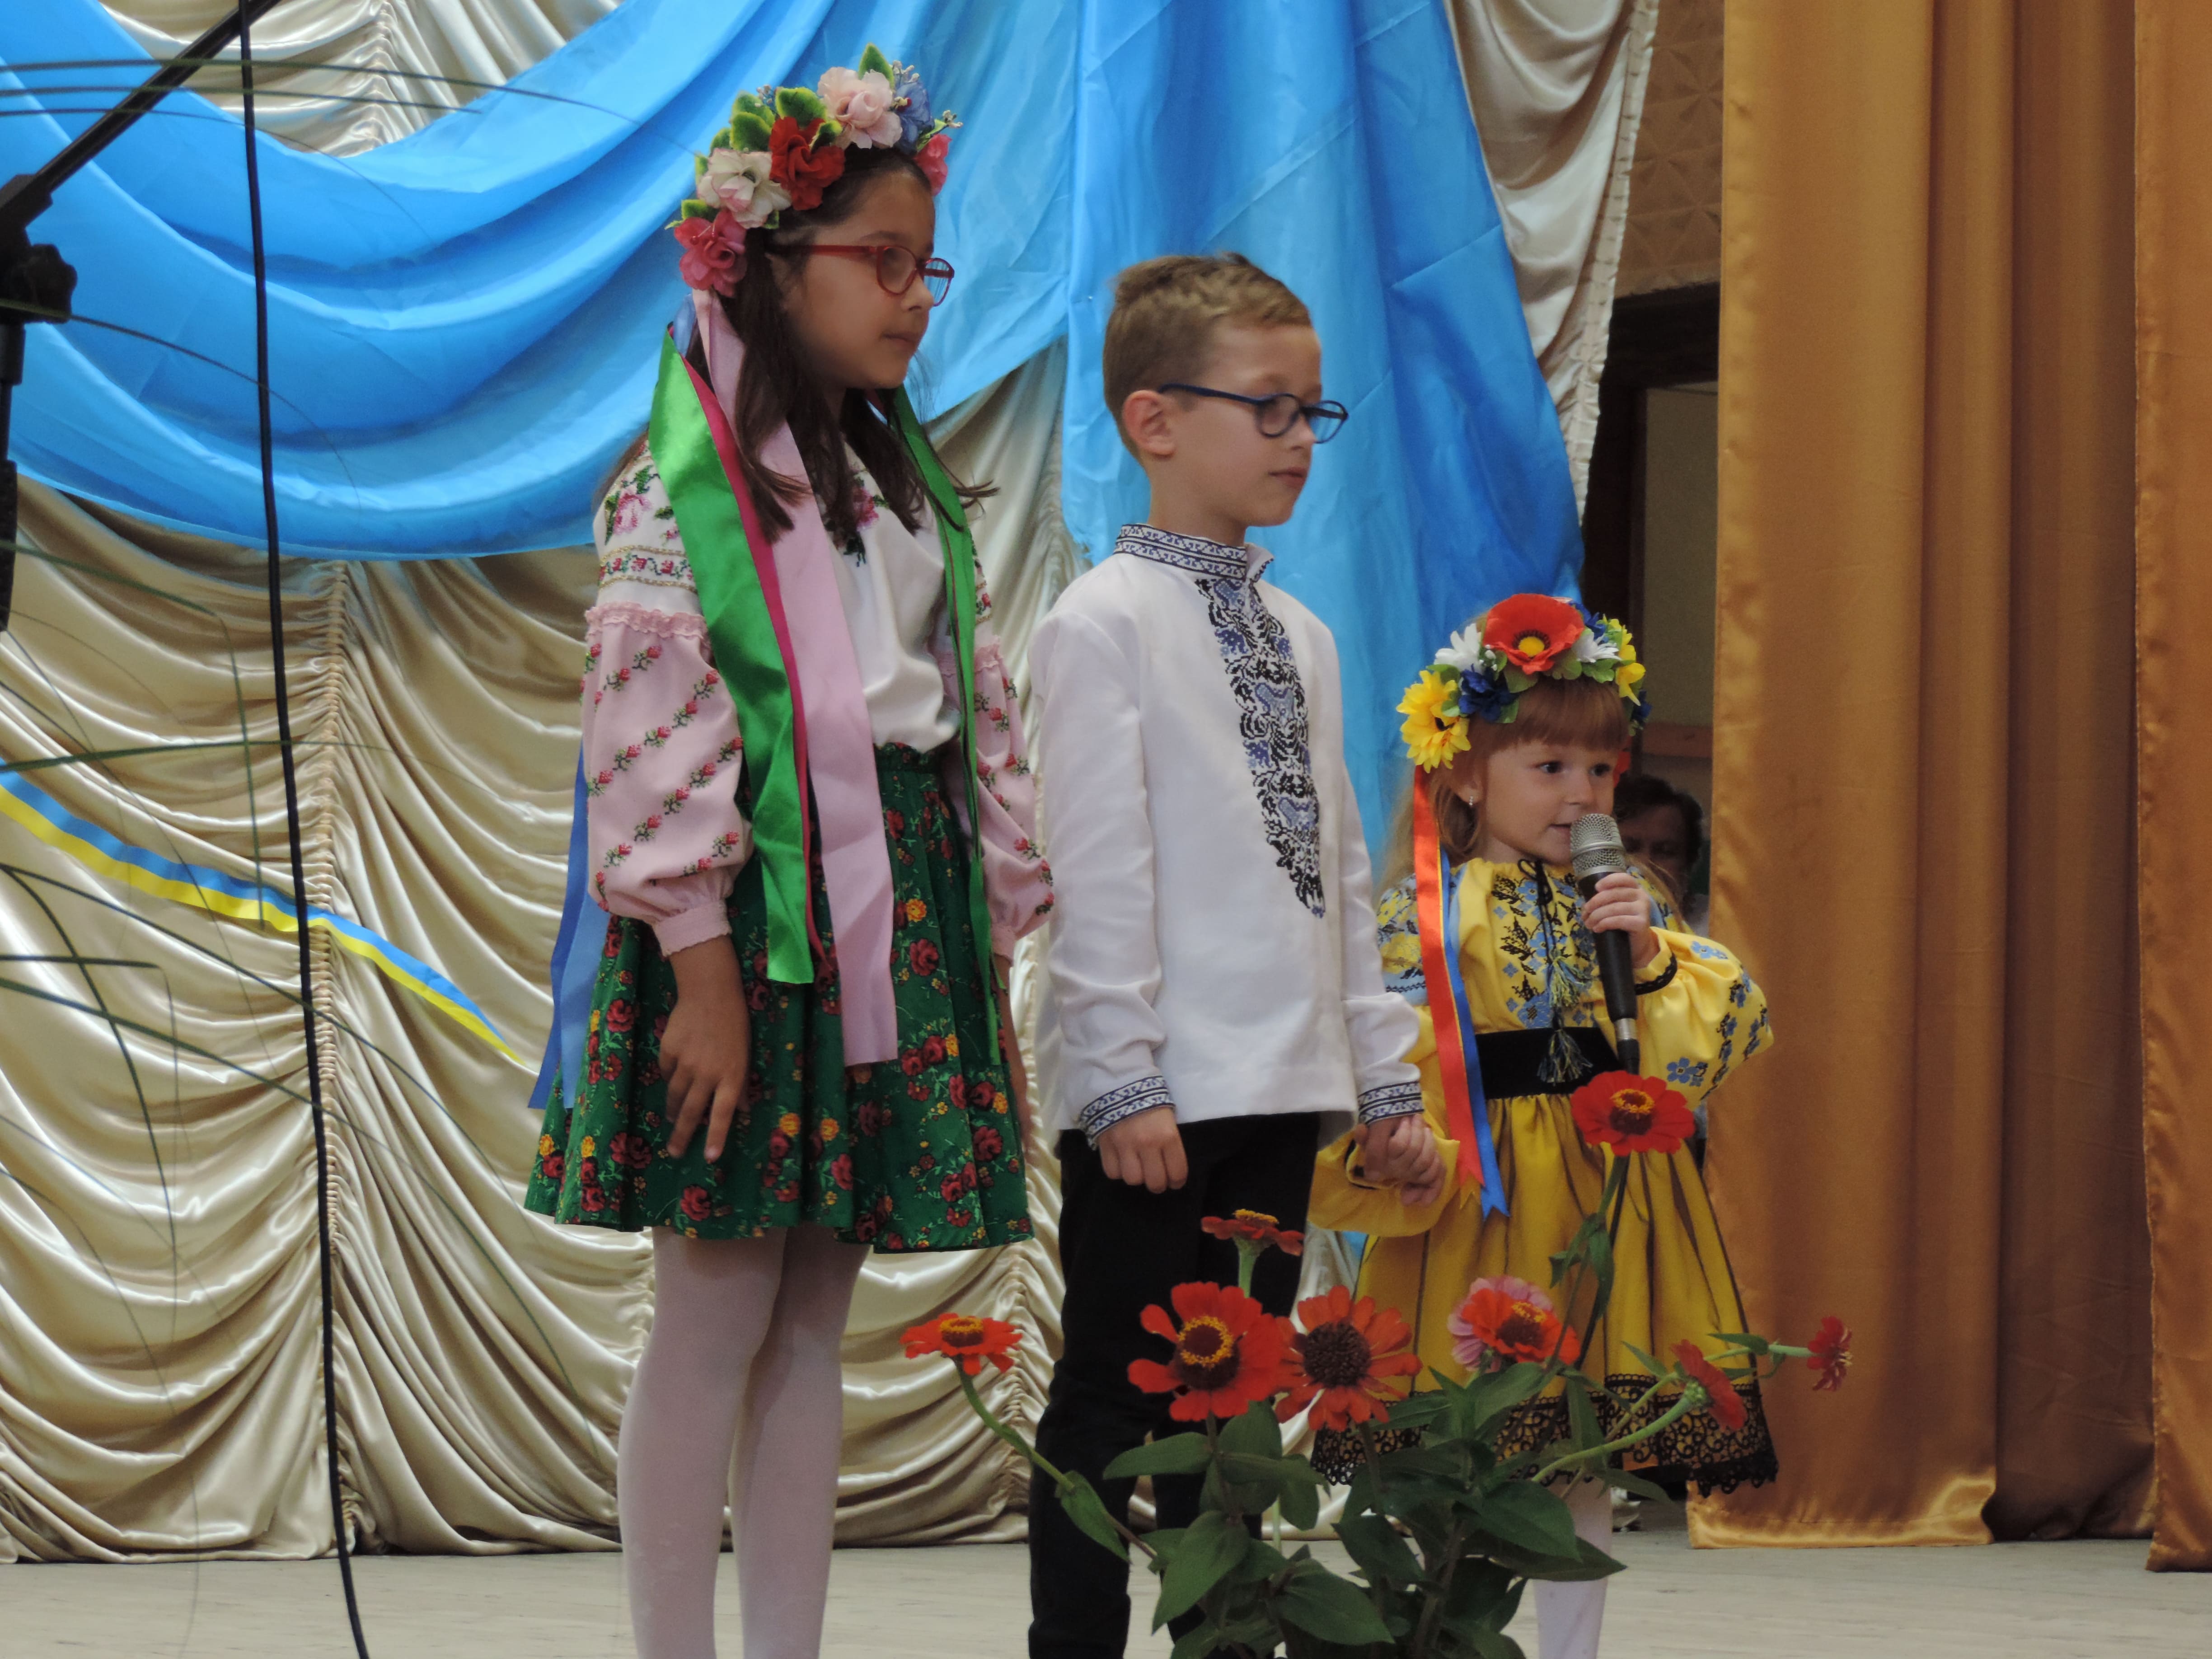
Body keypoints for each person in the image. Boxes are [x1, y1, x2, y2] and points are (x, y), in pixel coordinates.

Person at [523, 50, 1053, 1659]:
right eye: (881, 262)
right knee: (715, 1306)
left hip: (893, 900)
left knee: (816, 1311)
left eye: (926, 269)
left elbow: (967, 706)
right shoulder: (685, 488)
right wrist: (701, 969)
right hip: (753, 919)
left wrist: (996, 924)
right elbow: (649, 729)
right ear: (770, 262)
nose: (913, 299)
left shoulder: (901, 483)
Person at [1025, 253, 1437, 1659]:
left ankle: (1221, 1640)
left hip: (1282, 1085)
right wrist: (1122, 1075)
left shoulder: (1304, 635)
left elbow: (1339, 872)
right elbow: (1097, 869)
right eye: (1268, 408)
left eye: (1313, 412)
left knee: (1241, 1407)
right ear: (1153, 421)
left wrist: (1381, 1077)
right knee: (1113, 1397)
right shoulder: (1101, 622)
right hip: (1159, 1101)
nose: (1297, 439)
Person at [1315, 595, 1776, 1659]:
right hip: (1480, 1198)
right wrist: (1396, 1139)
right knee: (1451, 1438)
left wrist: (1648, 955)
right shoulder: (1428, 910)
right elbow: (1377, 1043)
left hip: (1604, 1196)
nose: (1580, 794)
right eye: (1550, 766)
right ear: (1469, 773)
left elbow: (1719, 1035)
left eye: (1599, 770)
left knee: (1578, 1449)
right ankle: (1432, 1630)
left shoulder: (1630, 902)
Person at [1613, 770, 1708, 934]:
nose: (1644, 863)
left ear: (1688, 862)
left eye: (1665, 852)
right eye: (1629, 849)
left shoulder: (1716, 924)